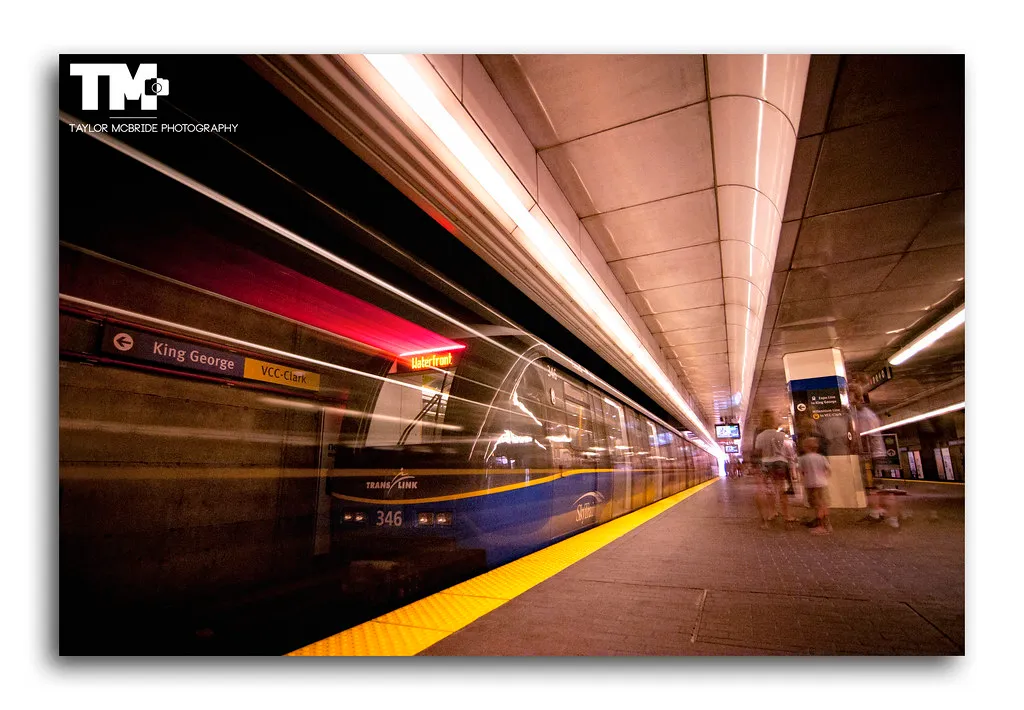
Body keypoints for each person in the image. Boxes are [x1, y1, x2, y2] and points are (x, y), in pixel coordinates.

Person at [753, 411, 797, 524]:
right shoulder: (781, 435)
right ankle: (787, 515)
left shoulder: (760, 436)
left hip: (766, 463)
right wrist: (792, 467)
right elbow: (789, 452)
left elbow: (758, 452)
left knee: (770, 490)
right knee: (781, 489)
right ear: (774, 422)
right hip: (780, 463)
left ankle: (772, 512)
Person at [798, 437, 832, 534]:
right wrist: (824, 477)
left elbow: (801, 471)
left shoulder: (803, 459)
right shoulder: (821, 457)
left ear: (806, 447)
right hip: (822, 483)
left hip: (811, 484)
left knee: (817, 505)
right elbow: (828, 470)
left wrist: (803, 481)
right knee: (823, 504)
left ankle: (821, 526)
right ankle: (827, 523)